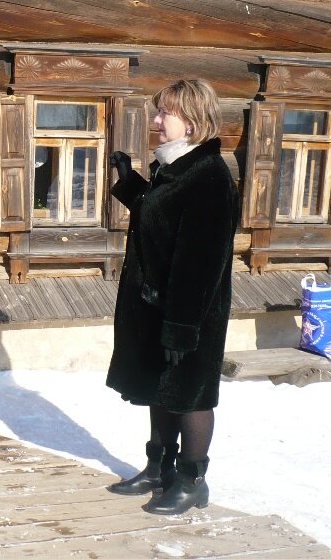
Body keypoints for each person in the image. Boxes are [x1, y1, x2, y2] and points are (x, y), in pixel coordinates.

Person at [105, 78, 238, 516]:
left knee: (190, 395)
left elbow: (200, 261)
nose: (157, 121)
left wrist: (182, 328)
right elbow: (161, 217)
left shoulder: (210, 178)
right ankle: (157, 468)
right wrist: (130, 184)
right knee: (159, 390)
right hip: (156, 304)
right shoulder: (174, 167)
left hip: (189, 311)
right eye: (158, 112)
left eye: (166, 113)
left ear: (193, 120)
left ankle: (191, 480)